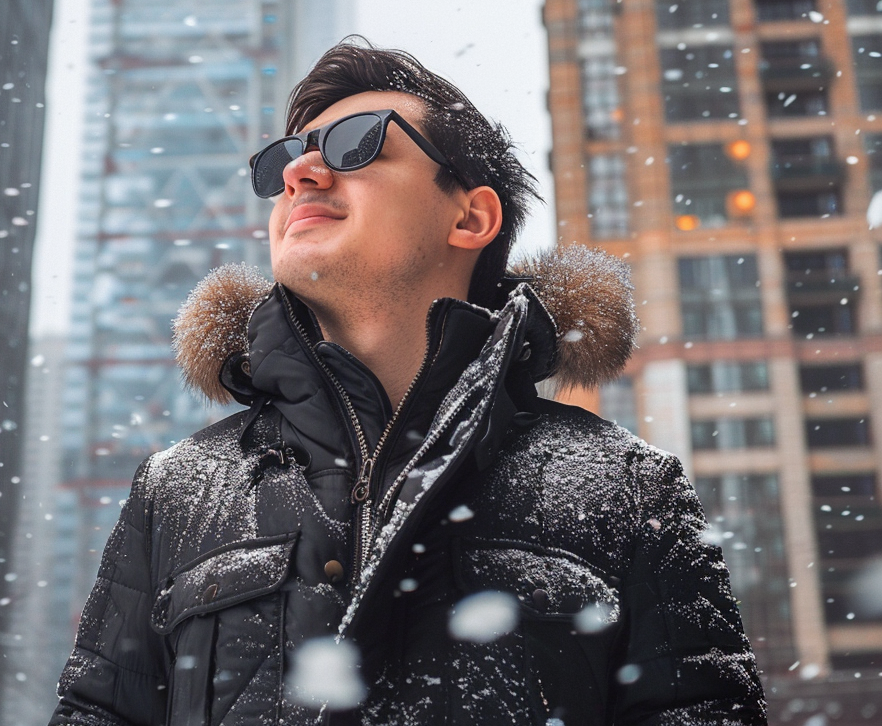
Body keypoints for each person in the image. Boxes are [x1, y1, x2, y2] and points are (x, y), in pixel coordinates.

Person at [50, 42, 767, 725]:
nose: (301, 174)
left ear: (470, 216)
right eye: (285, 162)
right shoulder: (176, 490)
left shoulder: (627, 487)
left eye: (358, 143)